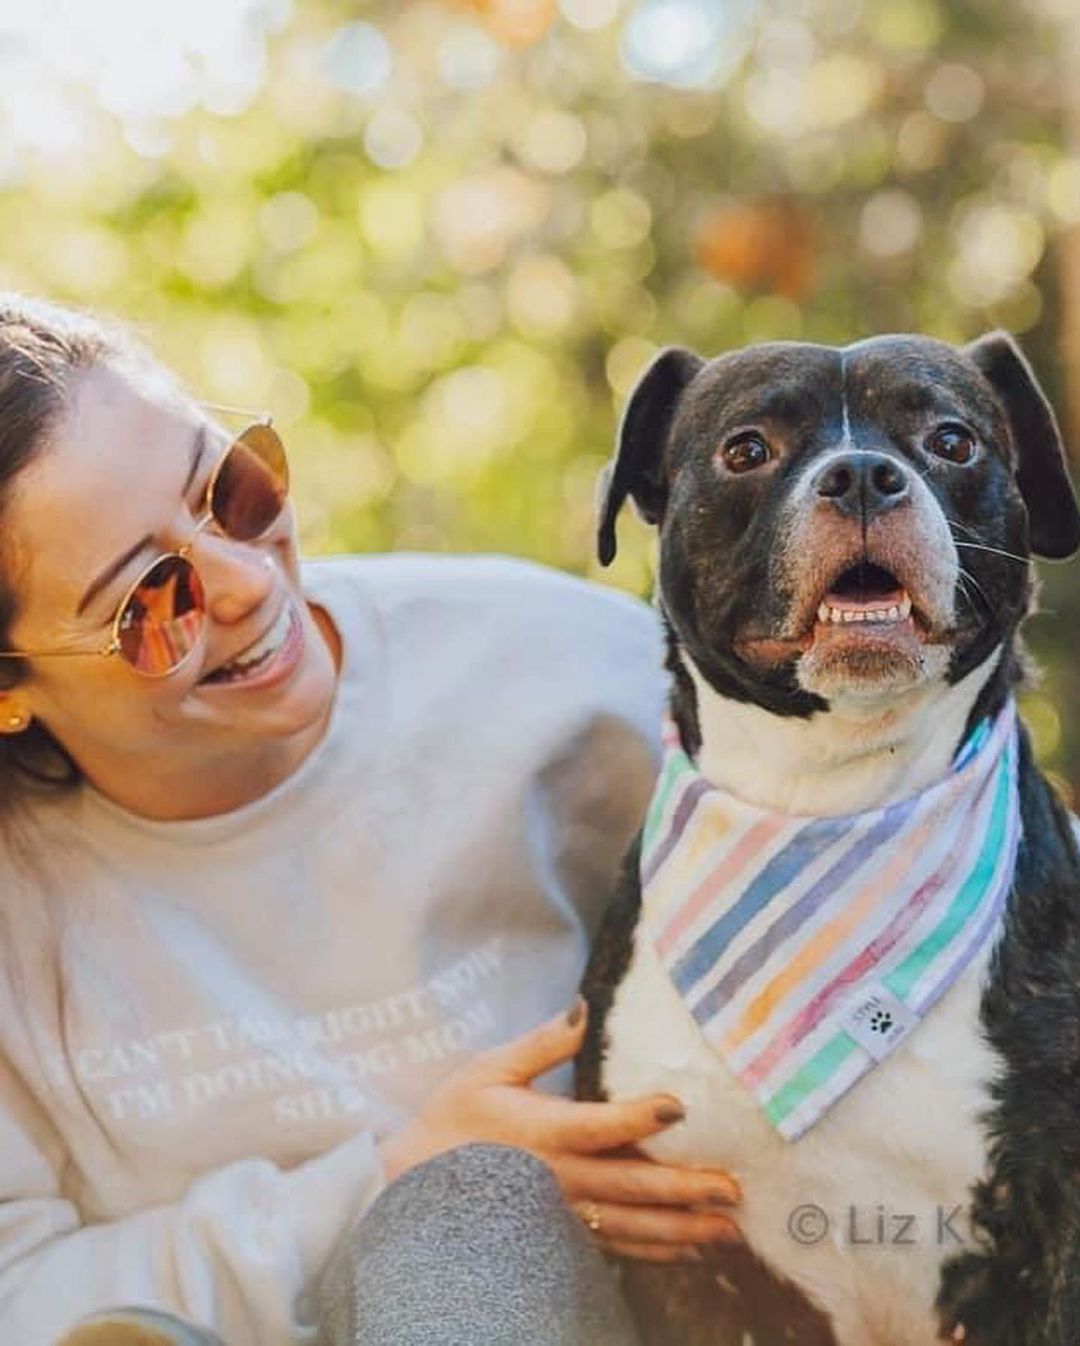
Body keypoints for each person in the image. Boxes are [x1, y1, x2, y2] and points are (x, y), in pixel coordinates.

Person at [0, 296, 743, 1346]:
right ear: (10, 682)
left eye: (231, 487)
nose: (248, 581)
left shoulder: (556, 673)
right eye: (150, 600)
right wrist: (393, 1175)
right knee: (456, 1219)